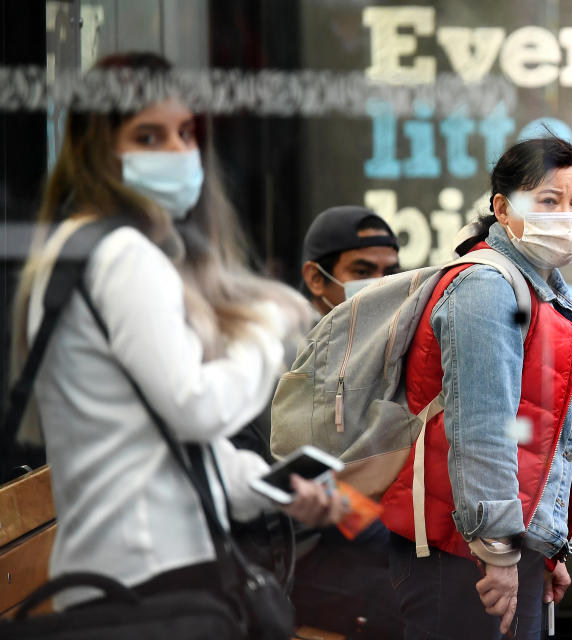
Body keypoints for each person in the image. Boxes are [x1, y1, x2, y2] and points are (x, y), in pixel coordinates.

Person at [8, 52, 342, 611]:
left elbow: (160, 443)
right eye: (148, 135)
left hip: (128, 576)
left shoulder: (80, 247)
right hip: (149, 583)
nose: (178, 153)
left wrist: (268, 487)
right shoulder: (124, 256)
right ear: (100, 148)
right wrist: (264, 327)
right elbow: (194, 408)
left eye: (186, 133)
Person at [378, 136, 572, 639]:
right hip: (461, 556)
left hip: (495, 547)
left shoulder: (541, 291)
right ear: (502, 208)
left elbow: (535, 435)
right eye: (548, 201)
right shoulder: (486, 288)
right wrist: (499, 551)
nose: (567, 215)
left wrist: (545, 545)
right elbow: (483, 429)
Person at [287, 204, 404, 638]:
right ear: (316, 278)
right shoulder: (289, 357)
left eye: (389, 271)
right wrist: (380, 525)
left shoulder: (382, 345)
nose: (380, 285)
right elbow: (284, 467)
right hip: (312, 546)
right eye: (362, 270)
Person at [300, 205, 400, 315]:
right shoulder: (287, 331)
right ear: (315, 278)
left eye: (390, 273)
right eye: (362, 272)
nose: (382, 286)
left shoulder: (400, 329)